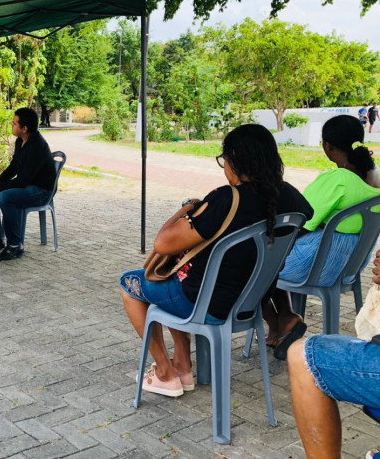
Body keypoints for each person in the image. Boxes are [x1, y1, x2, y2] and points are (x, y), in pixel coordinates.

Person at [120, 124, 312, 397]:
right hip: (251, 303)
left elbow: (162, 243)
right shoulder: (289, 196)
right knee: (182, 275)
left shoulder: (226, 199)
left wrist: (188, 208)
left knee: (130, 283)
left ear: (234, 160)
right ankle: (183, 367)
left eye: (225, 160)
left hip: (206, 303)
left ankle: (165, 372)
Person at [263, 115, 380, 360]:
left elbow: (300, 221)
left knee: (257, 260)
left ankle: (279, 321)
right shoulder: (375, 181)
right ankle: (285, 320)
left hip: (315, 267)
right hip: (349, 268)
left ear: (328, 146)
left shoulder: (337, 179)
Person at [287, 250, 380, 459]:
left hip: (323, 269)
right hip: (344, 269)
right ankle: (283, 319)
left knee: (303, 356)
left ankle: (282, 319)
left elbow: (308, 224)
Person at [0, 107, 56, 262]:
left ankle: (15, 245)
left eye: (14, 123)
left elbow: (23, 180)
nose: (11, 125)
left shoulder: (37, 146)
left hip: (41, 191)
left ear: (24, 128)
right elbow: (14, 166)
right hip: (28, 185)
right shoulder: (21, 140)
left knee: (5, 197)